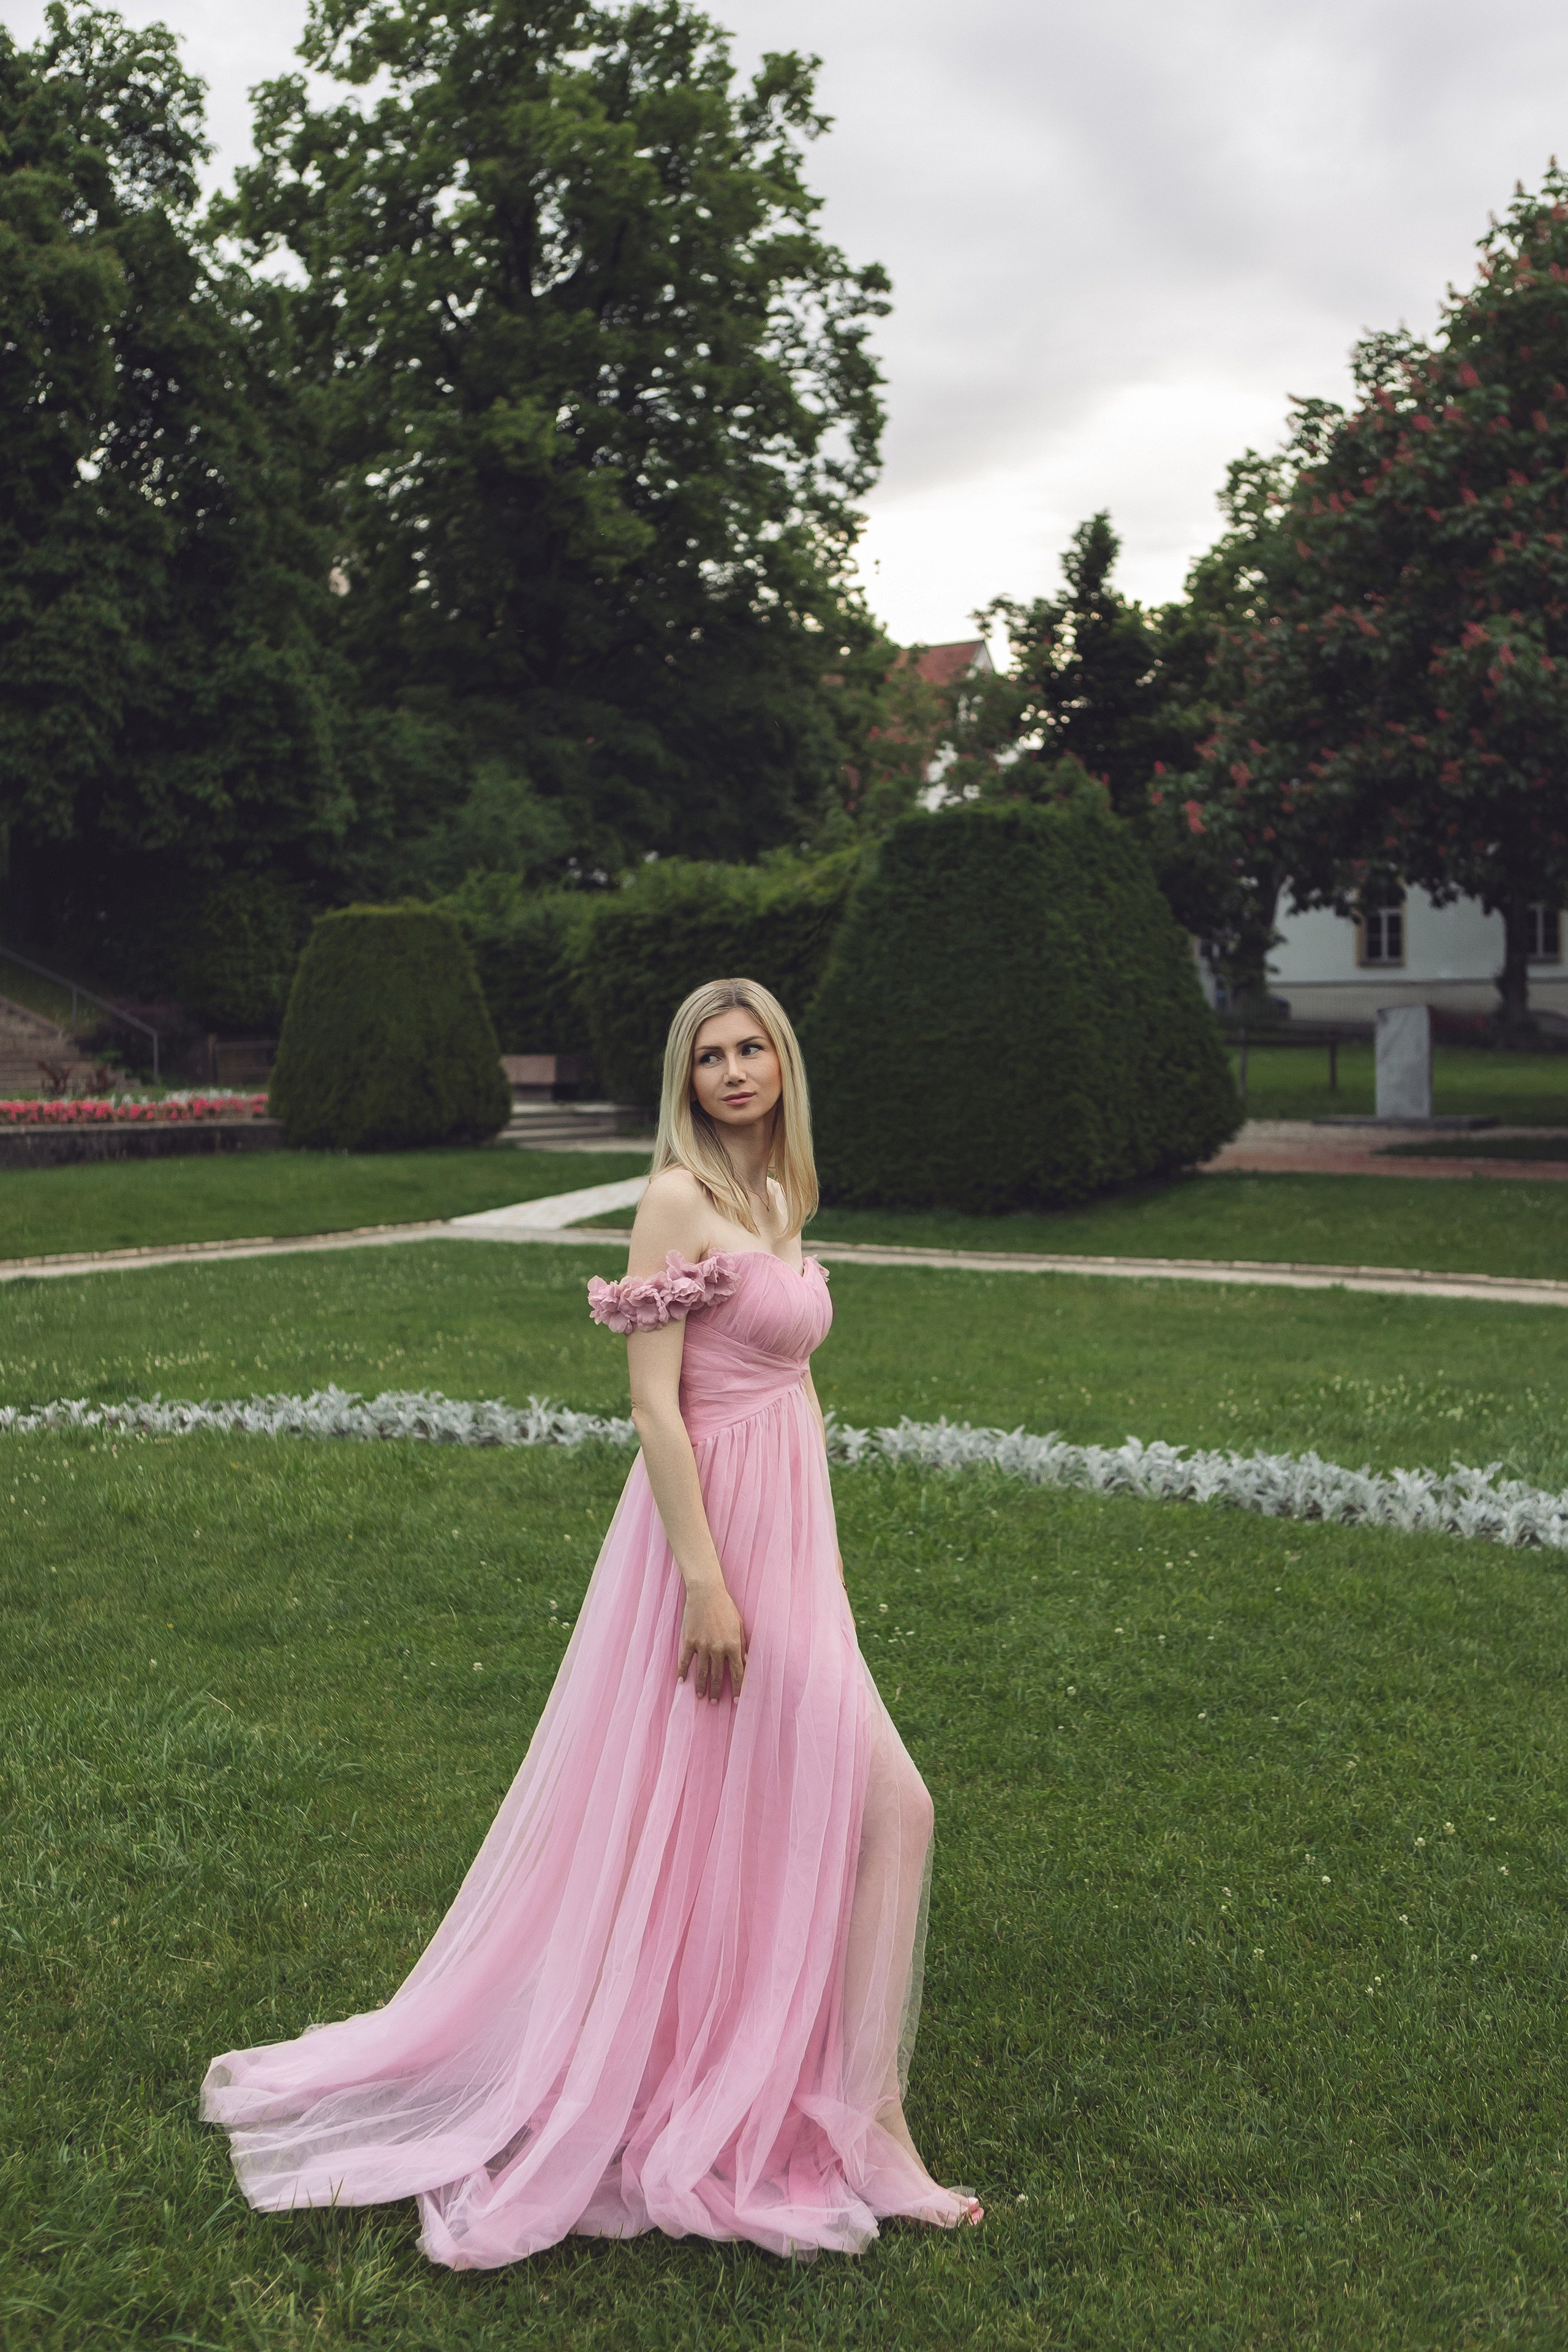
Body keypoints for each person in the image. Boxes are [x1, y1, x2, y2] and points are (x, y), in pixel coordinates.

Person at [202, 977, 980, 2263]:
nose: (733, 1072)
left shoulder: (784, 1194)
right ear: (683, 1079)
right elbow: (652, 1406)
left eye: (752, 1049)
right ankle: (863, 2129)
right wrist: (705, 1579)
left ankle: (854, 2114)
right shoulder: (675, 1201)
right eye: (709, 1055)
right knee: (889, 1804)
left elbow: (780, 1377)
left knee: (834, 1805)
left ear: (782, 1063)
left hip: (791, 1524)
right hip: (713, 1532)